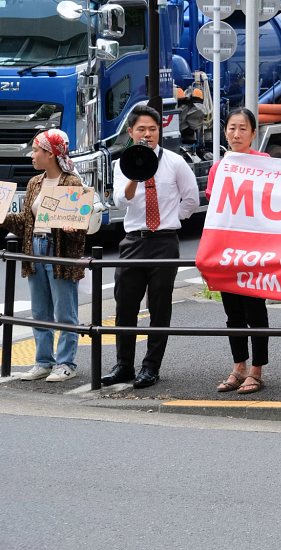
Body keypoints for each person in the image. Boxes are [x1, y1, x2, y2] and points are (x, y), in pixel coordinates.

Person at [101, 105, 200, 389]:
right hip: (134, 241)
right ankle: (123, 365)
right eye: (141, 129)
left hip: (164, 242)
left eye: (153, 129)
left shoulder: (175, 162)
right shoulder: (121, 163)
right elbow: (121, 201)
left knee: (159, 306)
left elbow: (191, 200)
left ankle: (151, 367)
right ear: (131, 132)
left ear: (160, 132)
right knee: (125, 305)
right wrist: (136, 171)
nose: (147, 134)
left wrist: (170, 220)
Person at [6, 130, 86, 382]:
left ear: (51, 154)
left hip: (58, 249)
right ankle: (43, 361)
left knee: (65, 310)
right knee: (40, 310)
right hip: (35, 248)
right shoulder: (34, 183)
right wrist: (5, 218)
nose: (32, 155)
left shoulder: (72, 183)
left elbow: (79, 228)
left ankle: (65, 363)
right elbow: (25, 224)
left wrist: (72, 228)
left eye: (36, 150)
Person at [205, 108, 271, 394]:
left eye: (243, 128)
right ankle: (238, 368)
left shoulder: (267, 163)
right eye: (231, 128)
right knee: (232, 312)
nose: (236, 134)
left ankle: (257, 370)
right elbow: (215, 210)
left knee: (255, 310)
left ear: (254, 133)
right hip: (228, 249)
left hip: (256, 249)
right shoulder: (218, 168)